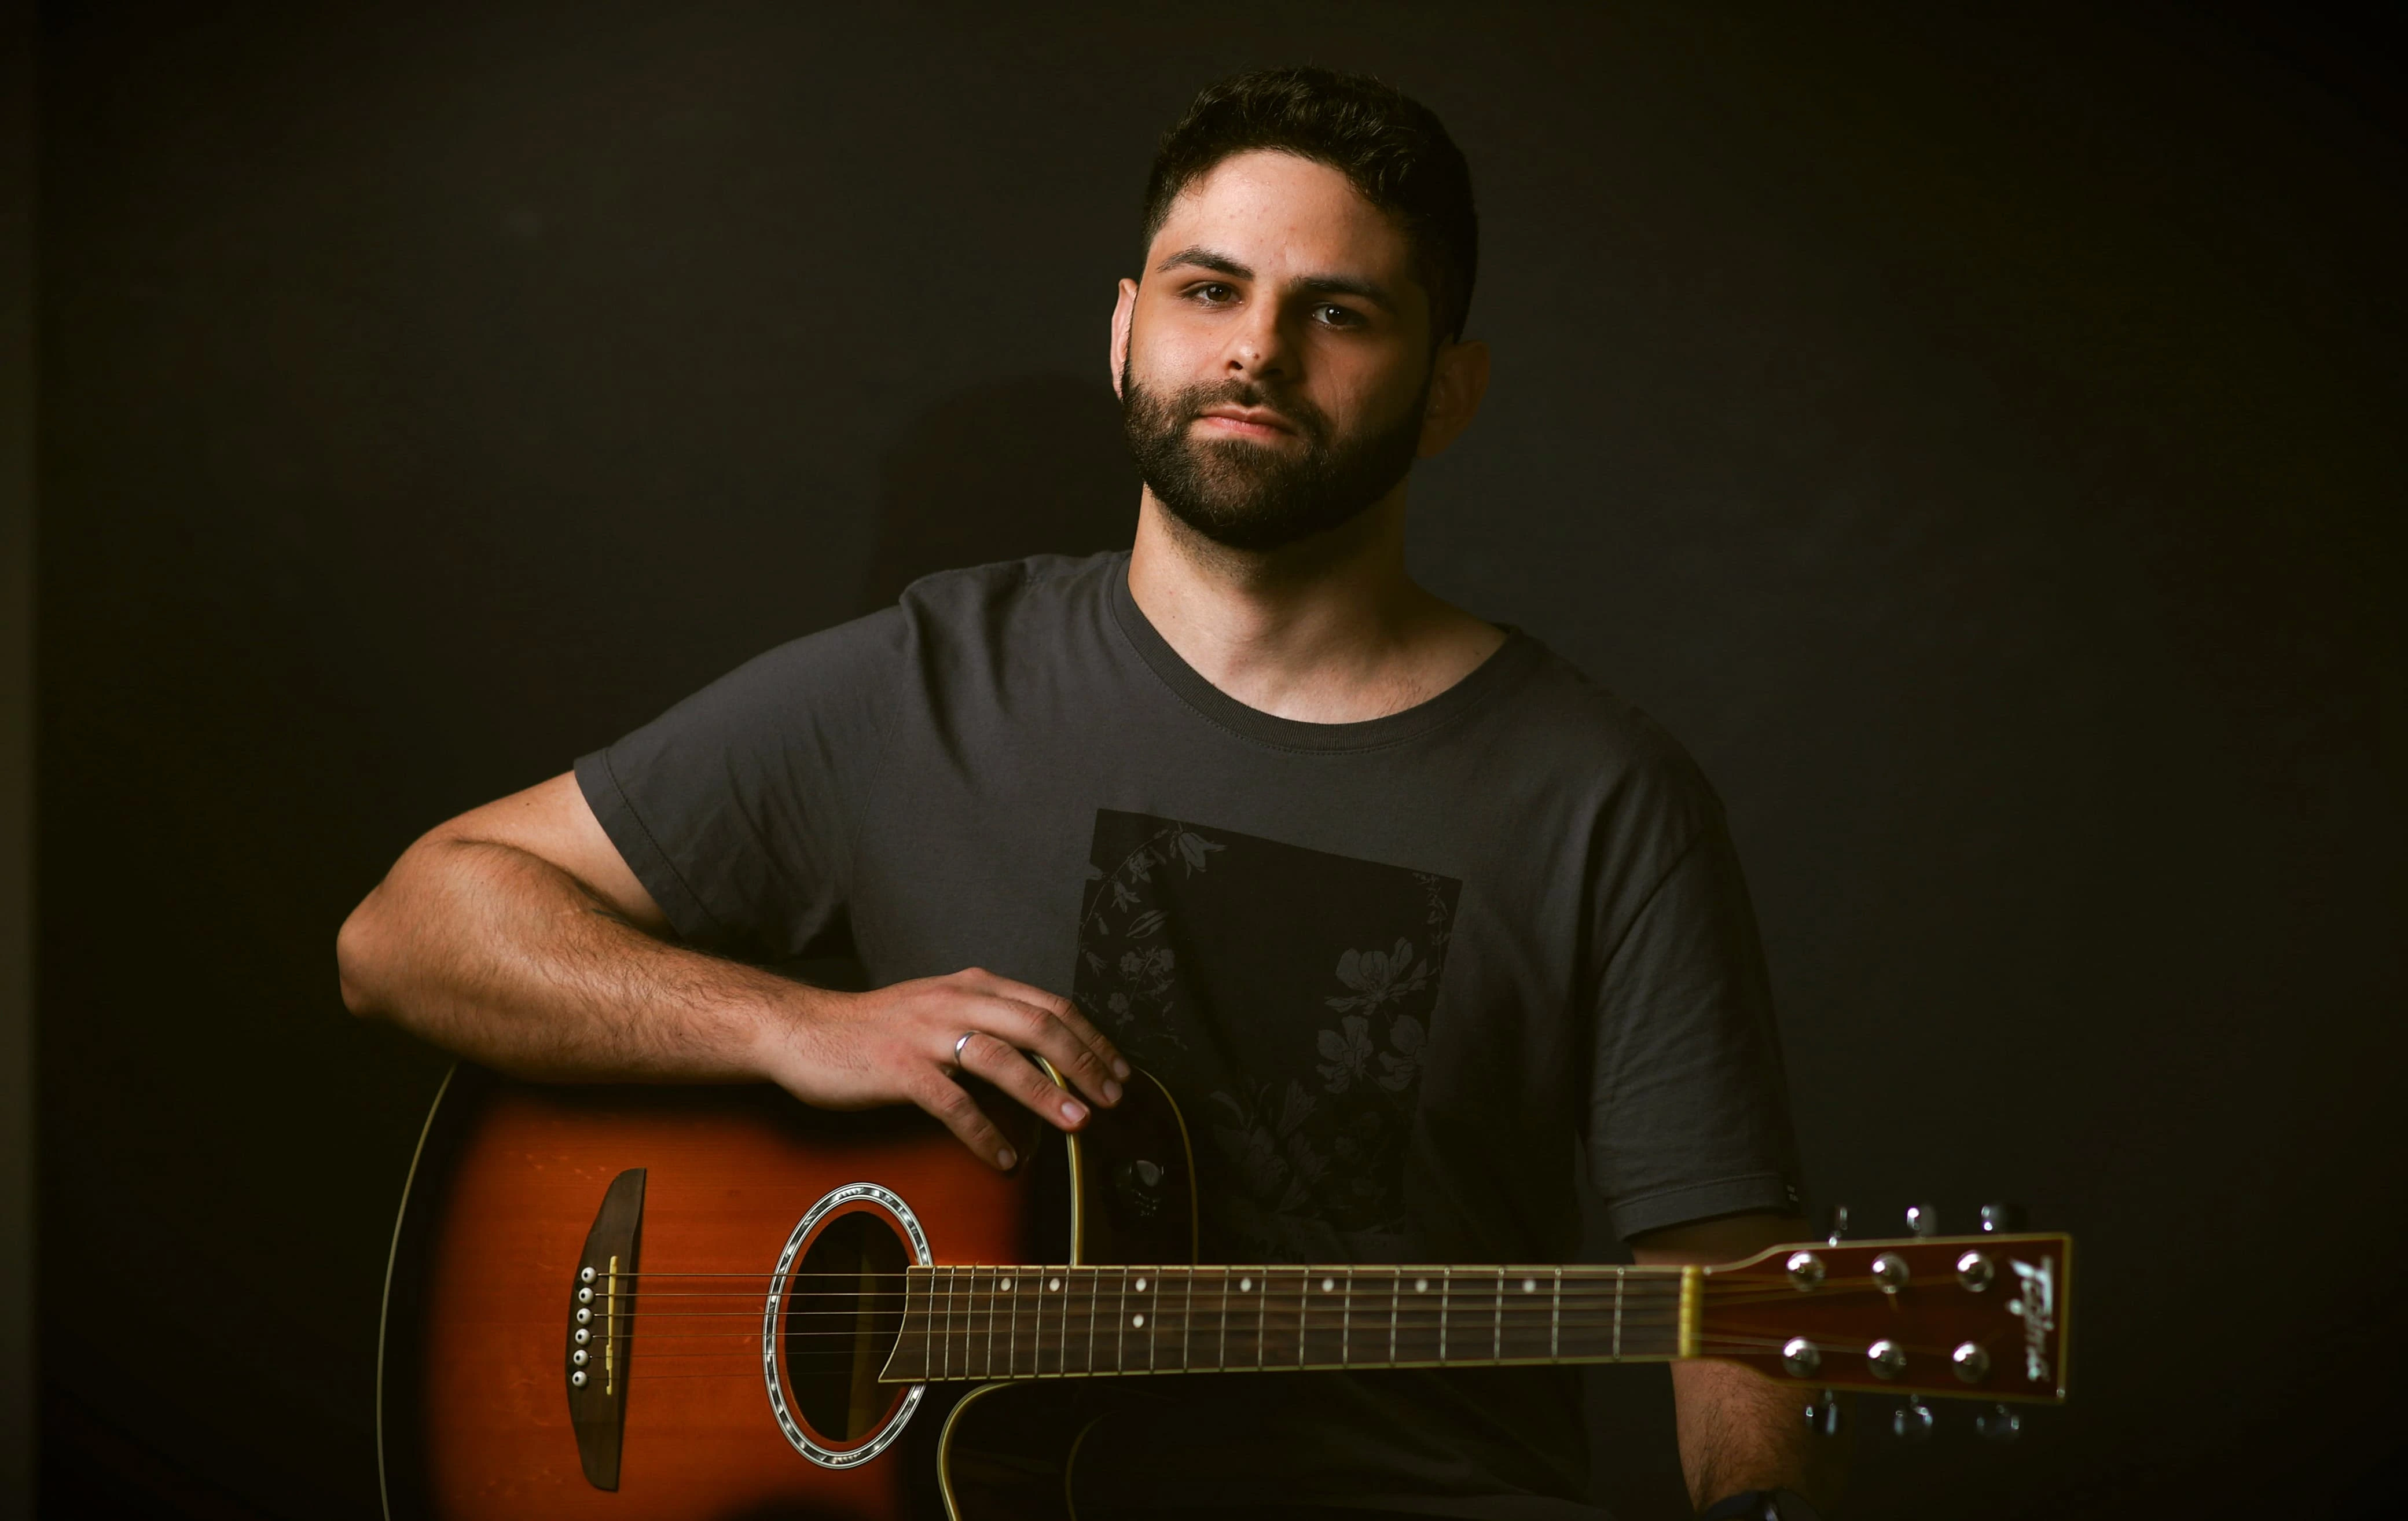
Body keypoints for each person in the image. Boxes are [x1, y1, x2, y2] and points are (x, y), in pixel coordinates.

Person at [339, 65, 1828, 1521]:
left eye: (1339, 311)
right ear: (1124, 335)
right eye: (1207, 290)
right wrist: (796, 1027)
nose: (1256, 350)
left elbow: (1735, 1284)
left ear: (1448, 390)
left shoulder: (1605, 796)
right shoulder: (914, 686)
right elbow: (407, 932)